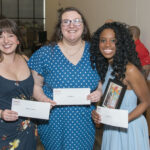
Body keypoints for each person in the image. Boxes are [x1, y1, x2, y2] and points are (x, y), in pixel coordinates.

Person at [28, 7, 101, 150]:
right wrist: (43, 99)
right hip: (55, 121)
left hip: (84, 121)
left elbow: (101, 82)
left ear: (84, 27)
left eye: (76, 21)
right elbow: (36, 86)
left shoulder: (96, 52)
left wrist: (99, 91)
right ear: (60, 28)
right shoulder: (44, 54)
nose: (71, 25)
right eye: (66, 21)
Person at [90, 22, 150, 150]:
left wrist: (124, 120)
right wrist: (99, 115)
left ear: (121, 43)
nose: (107, 45)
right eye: (103, 40)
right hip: (111, 128)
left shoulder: (130, 70)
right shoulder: (107, 68)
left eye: (113, 40)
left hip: (130, 128)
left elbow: (146, 101)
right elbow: (110, 100)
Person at [0, 18, 37, 149]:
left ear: (18, 39)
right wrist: (1, 113)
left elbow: (35, 90)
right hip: (3, 132)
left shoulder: (26, 60)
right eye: (0, 36)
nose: (5, 41)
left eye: (10, 35)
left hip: (27, 130)